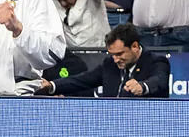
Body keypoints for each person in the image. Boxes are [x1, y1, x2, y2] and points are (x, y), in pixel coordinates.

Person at [40, 23, 169, 98]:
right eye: (112, 54)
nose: (115, 59)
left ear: (134, 46)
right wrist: (52, 85)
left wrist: (143, 86)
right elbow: (83, 80)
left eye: (119, 54)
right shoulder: (110, 64)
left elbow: (159, 80)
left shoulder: (156, 62)